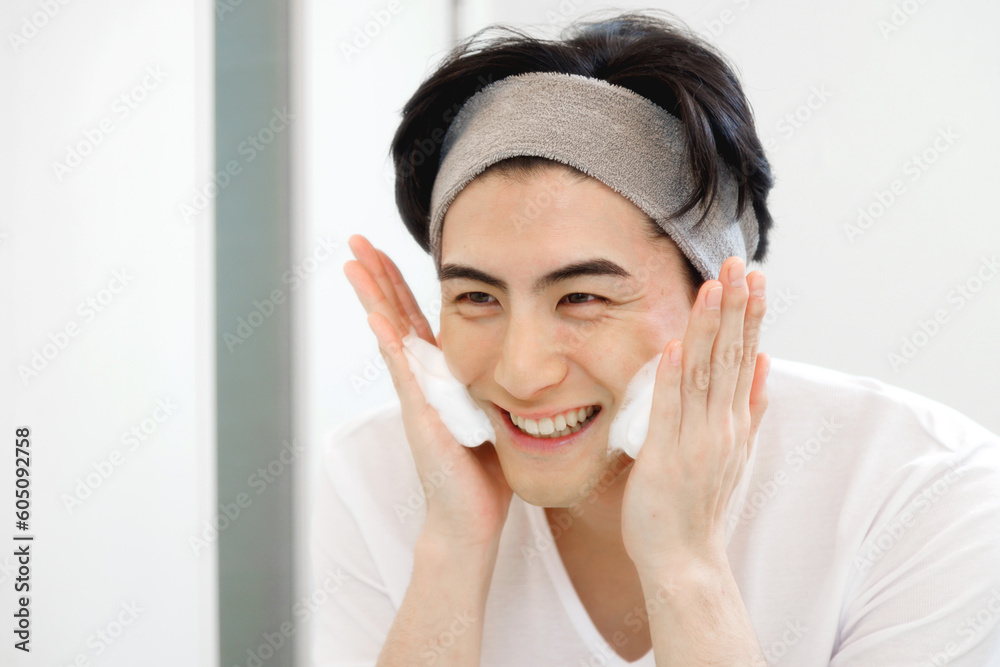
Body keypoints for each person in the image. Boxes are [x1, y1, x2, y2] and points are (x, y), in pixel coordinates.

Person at [314, 11, 1000, 666]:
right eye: (477, 298)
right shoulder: (373, 479)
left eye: (582, 297)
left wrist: (686, 564)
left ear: (717, 305)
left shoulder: (924, 495)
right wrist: (452, 547)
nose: (521, 372)